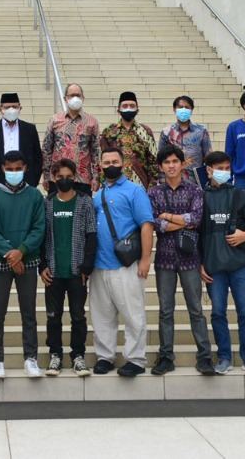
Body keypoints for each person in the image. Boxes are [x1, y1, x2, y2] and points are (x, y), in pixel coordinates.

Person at [199, 151, 245, 376]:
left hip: (239, 264)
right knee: (218, 313)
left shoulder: (241, 195)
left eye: (227, 168)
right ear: (208, 170)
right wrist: (200, 263)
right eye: (219, 168)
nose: (224, 172)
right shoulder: (200, 198)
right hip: (214, 268)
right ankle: (224, 357)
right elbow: (196, 235)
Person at [88, 147, 155, 377]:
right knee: (101, 315)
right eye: (105, 162)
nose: (110, 165)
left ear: (123, 162)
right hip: (99, 265)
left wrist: (146, 259)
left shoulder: (135, 191)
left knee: (132, 314)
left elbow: (147, 224)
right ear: (100, 165)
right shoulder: (97, 194)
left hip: (126, 265)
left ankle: (135, 358)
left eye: (114, 161)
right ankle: (105, 356)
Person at [148, 145, 213, 375]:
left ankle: (204, 356)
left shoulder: (195, 190)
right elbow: (155, 223)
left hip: (190, 257)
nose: (172, 166)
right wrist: (177, 221)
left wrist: (168, 217)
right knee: (166, 310)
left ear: (183, 163)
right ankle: (166, 356)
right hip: (164, 258)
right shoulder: (154, 192)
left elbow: (196, 219)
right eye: (167, 162)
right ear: (160, 166)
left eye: (176, 161)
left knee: (196, 309)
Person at [0, 150, 47, 378]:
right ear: (2, 169)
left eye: (17, 168)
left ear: (25, 168)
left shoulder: (34, 196)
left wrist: (21, 251)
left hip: (27, 261)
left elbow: (39, 228)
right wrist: (10, 254)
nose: (13, 172)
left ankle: (30, 358)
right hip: (1, 262)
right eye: (9, 169)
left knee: (28, 312)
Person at [40, 158, 96, 377]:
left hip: (76, 271)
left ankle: (78, 356)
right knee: (53, 316)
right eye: (60, 176)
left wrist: (87, 267)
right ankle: (55, 355)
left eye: (68, 177)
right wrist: (42, 266)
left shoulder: (85, 202)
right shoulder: (48, 204)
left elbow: (91, 235)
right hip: (53, 271)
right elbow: (42, 237)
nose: (64, 180)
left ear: (75, 177)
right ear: (53, 178)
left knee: (78, 316)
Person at [42, 83, 100, 194]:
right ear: (65, 99)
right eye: (72, 95)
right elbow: (46, 149)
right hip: (57, 178)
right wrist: (46, 176)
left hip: (82, 179)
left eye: (78, 95)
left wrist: (96, 177)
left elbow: (95, 151)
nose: (75, 98)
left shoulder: (92, 122)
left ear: (83, 98)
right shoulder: (55, 120)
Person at [0, 93, 43, 188]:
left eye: (14, 106)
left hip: (25, 182)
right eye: (7, 107)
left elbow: (38, 158)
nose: (11, 110)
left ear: (20, 108)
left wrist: (33, 181)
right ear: (0, 109)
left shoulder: (29, 129)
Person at [101, 91, 158, 188]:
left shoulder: (145, 131)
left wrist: (152, 185)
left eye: (132, 106)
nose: (128, 108)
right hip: (115, 184)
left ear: (137, 110)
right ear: (118, 110)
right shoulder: (109, 131)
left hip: (141, 185)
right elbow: (102, 160)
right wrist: (103, 183)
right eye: (125, 106)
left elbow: (154, 160)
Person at [158, 94, 211, 184]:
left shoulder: (201, 131)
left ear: (191, 110)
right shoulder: (166, 132)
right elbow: (160, 158)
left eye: (187, 107)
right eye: (180, 107)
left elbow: (208, 156)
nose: (183, 110)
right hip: (172, 182)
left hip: (195, 182)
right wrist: (162, 182)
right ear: (174, 109)